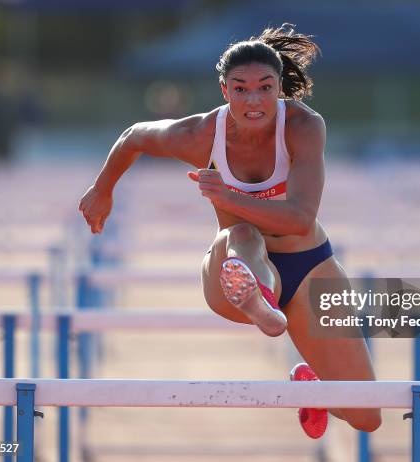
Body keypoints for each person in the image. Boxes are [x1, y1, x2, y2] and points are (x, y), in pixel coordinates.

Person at [79, 24, 381, 439]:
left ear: (280, 90)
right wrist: (102, 189)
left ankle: (309, 381)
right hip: (233, 262)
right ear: (224, 91)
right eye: (240, 89)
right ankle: (259, 298)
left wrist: (227, 195)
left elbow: (299, 219)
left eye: (264, 88)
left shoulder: (303, 127)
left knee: (367, 416)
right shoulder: (202, 133)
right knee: (243, 235)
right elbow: (134, 136)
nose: (253, 100)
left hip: (310, 264)